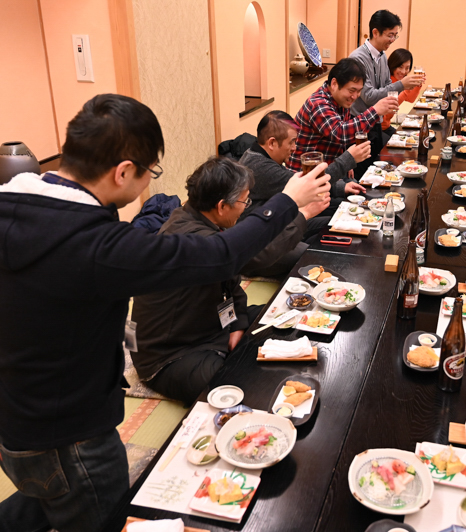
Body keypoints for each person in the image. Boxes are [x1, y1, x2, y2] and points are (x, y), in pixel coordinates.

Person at [0, 94, 329, 532]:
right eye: (150, 172)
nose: (147, 184)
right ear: (123, 171)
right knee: (101, 512)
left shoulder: (19, 205)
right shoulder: (94, 244)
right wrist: (288, 201)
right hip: (71, 434)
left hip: (18, 423)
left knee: (47, 496)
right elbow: (223, 255)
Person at [130, 158, 329, 404]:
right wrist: (302, 213)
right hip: (170, 354)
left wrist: (237, 323)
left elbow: (230, 282)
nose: (246, 208)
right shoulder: (191, 236)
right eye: (245, 202)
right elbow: (257, 255)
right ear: (222, 206)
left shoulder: (198, 218)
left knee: (285, 318)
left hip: (210, 323)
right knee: (237, 387)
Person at [239, 110, 369, 274]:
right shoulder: (259, 166)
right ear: (272, 143)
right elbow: (307, 185)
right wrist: (349, 158)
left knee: (334, 224)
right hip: (262, 242)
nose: (295, 148)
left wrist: (340, 188)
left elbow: (296, 181)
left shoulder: (260, 155)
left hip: (280, 223)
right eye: (292, 142)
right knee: (313, 258)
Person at [287, 58, 398, 173]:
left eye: (359, 91)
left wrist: (346, 163)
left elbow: (342, 138)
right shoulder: (318, 104)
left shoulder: (340, 101)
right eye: (352, 90)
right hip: (305, 174)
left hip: (327, 170)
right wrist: (375, 111)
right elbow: (340, 132)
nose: (355, 96)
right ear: (334, 84)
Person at [349, 9, 424, 167]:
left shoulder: (382, 55)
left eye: (395, 35)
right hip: (362, 127)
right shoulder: (358, 58)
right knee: (365, 171)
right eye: (390, 35)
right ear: (375, 32)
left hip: (377, 122)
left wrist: (406, 87)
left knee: (381, 166)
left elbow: (387, 86)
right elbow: (369, 96)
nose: (393, 40)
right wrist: (402, 85)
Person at [381, 48, 422, 143]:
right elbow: (391, 107)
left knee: (411, 140)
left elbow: (410, 99)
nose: (403, 72)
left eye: (407, 68)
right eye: (400, 67)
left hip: (386, 126)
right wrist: (406, 88)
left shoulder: (400, 81)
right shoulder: (388, 81)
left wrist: (417, 85)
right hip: (378, 128)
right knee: (400, 144)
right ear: (393, 65)